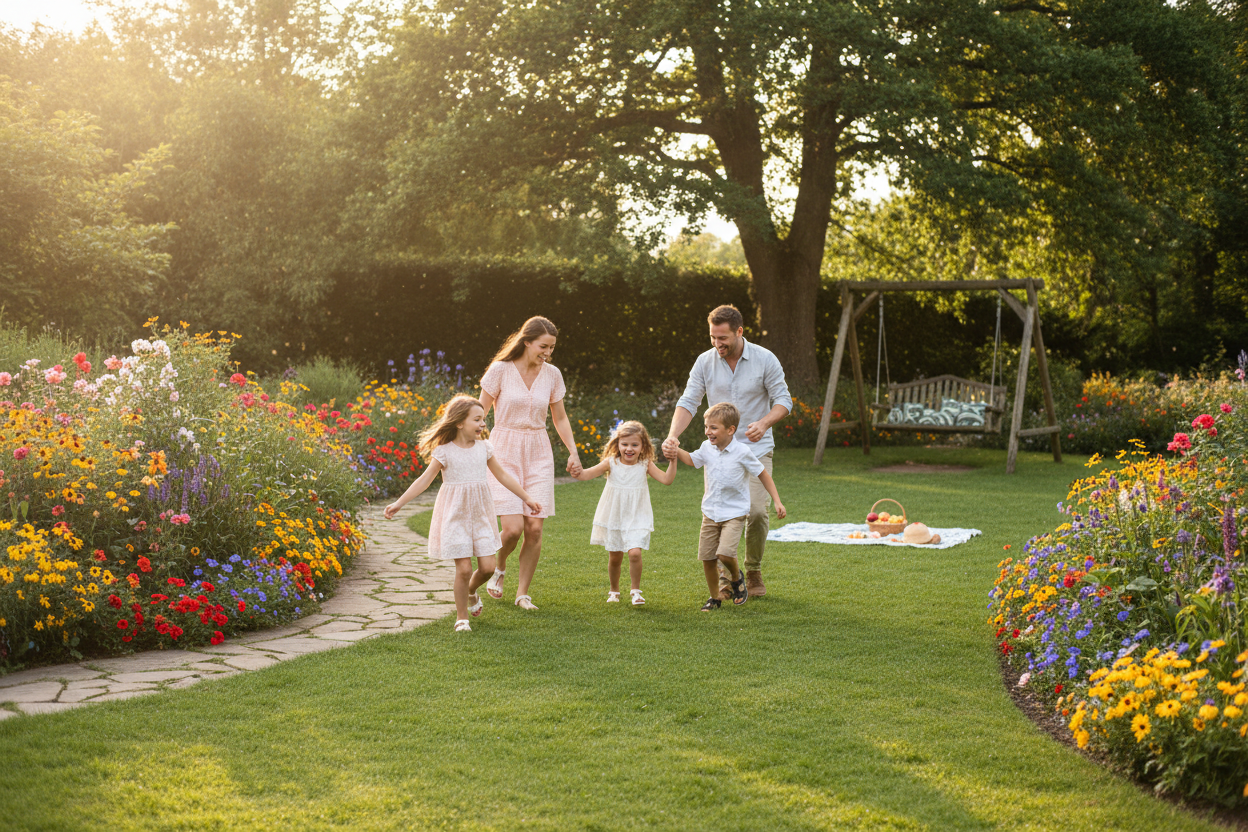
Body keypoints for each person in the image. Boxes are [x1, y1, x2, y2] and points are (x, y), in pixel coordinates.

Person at [662, 304, 792, 598]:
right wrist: (673, 436)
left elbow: (784, 400)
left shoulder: (764, 359)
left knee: (757, 512)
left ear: (739, 332)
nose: (718, 345)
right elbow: (689, 401)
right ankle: (726, 579)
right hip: (719, 455)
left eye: (723, 339)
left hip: (756, 449)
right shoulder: (704, 362)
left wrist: (765, 421)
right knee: (719, 514)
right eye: (713, 338)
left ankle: (754, 568)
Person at [383, 395, 541, 632]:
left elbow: (503, 475)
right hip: (455, 515)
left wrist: (526, 497)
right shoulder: (444, 452)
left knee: (487, 568)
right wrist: (399, 503)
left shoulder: (484, 449)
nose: (482, 424)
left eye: (483, 420)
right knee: (464, 568)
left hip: (480, 515)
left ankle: (470, 591)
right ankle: (462, 618)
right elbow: (424, 481)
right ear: (459, 422)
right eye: (477, 420)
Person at [479, 316, 581, 611]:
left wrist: (573, 452)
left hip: (538, 451)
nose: (547, 353)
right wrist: (472, 446)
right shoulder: (500, 370)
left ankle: (523, 593)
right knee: (512, 529)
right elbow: (480, 412)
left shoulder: (552, 375)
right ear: (526, 341)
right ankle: (499, 568)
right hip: (504, 450)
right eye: (543, 347)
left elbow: (560, 417)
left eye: (551, 348)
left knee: (534, 528)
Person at [670, 402, 785, 611]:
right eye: (706, 427)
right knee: (707, 557)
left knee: (724, 553)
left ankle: (736, 577)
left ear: (730, 430)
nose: (708, 432)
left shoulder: (742, 452)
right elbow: (692, 460)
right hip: (710, 512)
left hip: (735, 513)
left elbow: (762, 474)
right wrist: (675, 450)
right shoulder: (706, 448)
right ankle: (714, 597)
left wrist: (777, 501)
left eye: (713, 428)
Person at [573, 420, 677, 606]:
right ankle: (614, 591)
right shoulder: (611, 463)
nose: (629, 449)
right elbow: (585, 475)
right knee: (615, 557)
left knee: (635, 553)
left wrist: (673, 460)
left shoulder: (645, 464)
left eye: (635, 445)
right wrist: (576, 469)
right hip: (615, 516)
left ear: (642, 446)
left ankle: (635, 591)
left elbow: (667, 480)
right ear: (617, 444)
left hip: (637, 515)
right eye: (625, 444)